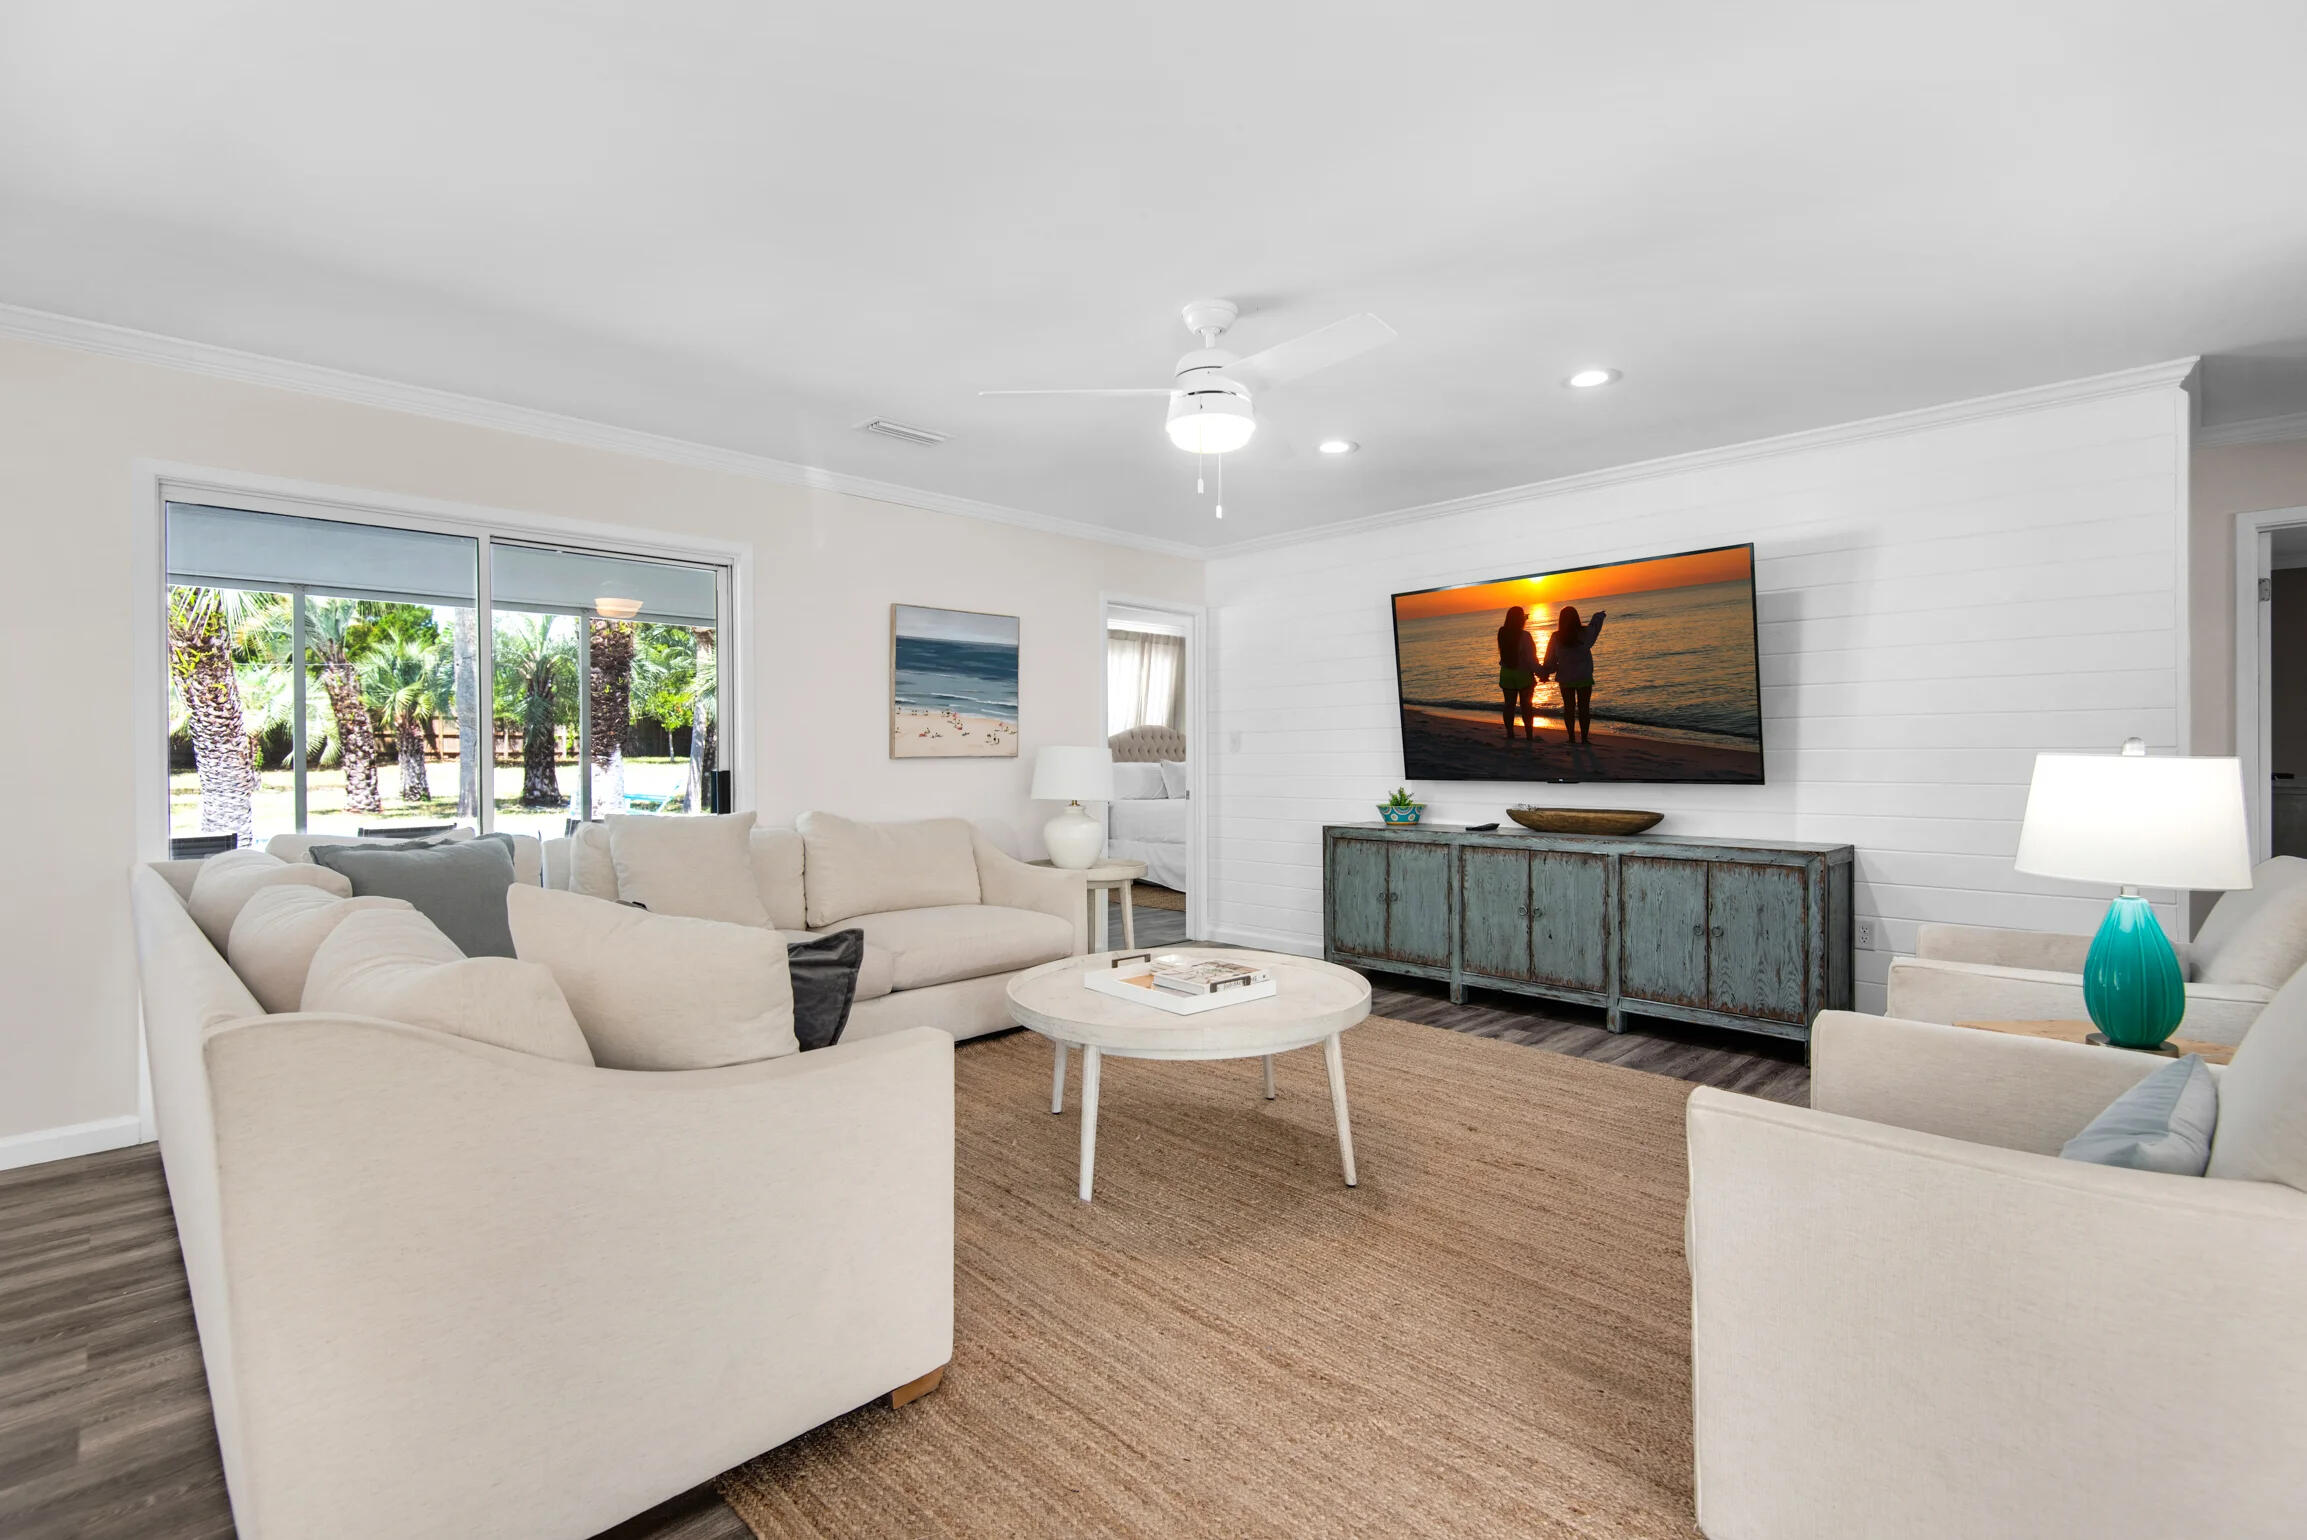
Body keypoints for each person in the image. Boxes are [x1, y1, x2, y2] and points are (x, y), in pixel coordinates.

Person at [1542, 605, 1607, 745]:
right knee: (1584, 709)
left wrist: (1545, 672)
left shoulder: (1556, 637)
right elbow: (1595, 627)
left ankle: (1571, 738)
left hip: (1566, 678)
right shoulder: (1585, 633)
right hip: (1584, 676)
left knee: (1569, 709)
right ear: (1576, 618)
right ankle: (1584, 739)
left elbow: (1550, 659)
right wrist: (1599, 615)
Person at [1495, 606, 1540, 741]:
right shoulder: (1525, 636)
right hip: (1523, 674)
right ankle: (1529, 736)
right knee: (1526, 707)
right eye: (1524, 617)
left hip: (1506, 673)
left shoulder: (1502, 633)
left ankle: (1510, 733)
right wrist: (1541, 672)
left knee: (1509, 706)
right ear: (1520, 620)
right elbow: (1531, 659)